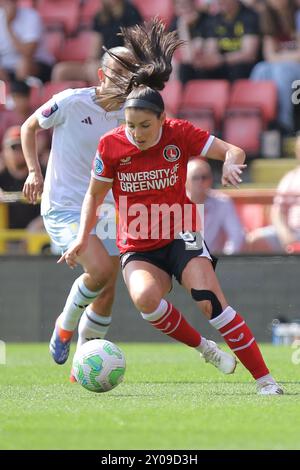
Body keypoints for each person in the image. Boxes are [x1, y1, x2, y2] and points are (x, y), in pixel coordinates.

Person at [60, 19, 283, 395]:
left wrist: (230, 160)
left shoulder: (181, 133)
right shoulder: (111, 146)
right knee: (147, 300)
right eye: (130, 125)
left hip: (179, 233)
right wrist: (81, 238)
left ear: (162, 119)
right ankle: (206, 349)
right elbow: (94, 196)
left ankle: (266, 382)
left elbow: (233, 149)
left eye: (145, 125)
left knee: (210, 303)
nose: (137, 133)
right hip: (138, 246)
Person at [21, 46, 135, 378]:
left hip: (109, 209)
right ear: (103, 75)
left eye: (130, 72)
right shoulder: (71, 101)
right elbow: (29, 127)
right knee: (98, 271)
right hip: (65, 206)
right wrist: (33, 172)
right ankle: (65, 326)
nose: (124, 79)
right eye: (118, 71)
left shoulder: (131, 115)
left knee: (108, 288)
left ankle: (82, 364)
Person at [51, 0, 142, 83]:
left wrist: (110, 63)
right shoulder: (100, 15)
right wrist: (91, 61)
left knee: (97, 70)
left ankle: (102, 99)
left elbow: (129, 49)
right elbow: (95, 45)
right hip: (101, 63)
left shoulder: (130, 11)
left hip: (120, 64)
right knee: (60, 71)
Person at [250, 0, 300, 134]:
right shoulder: (270, 17)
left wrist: (280, 56)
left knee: (281, 71)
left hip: (294, 67)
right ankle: (258, 120)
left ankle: (284, 123)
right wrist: (284, 57)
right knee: (260, 69)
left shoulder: (298, 15)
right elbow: (269, 55)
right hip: (282, 64)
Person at [247, 133, 300, 253]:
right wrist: (286, 235)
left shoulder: (217, 204)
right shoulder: (290, 178)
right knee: (255, 240)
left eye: (204, 177)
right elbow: (277, 212)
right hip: (291, 231)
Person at [186, 158, 245, 254]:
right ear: (185, 181)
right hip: (182, 264)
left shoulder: (222, 202)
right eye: (195, 178)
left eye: (204, 177)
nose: (201, 182)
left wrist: (226, 259)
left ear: (211, 180)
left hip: (213, 263)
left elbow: (236, 235)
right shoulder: (175, 204)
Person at [0, 0, 54, 83]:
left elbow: (28, 53)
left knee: (24, 64)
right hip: (7, 66)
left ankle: (20, 94)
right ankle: (6, 93)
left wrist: (8, 25)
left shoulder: (31, 16)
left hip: (37, 64)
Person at [0, 125, 42, 232]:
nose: (19, 152)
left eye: (23, 146)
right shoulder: (2, 177)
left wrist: (38, 224)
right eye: (14, 147)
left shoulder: (43, 174)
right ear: (4, 150)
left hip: (36, 239)